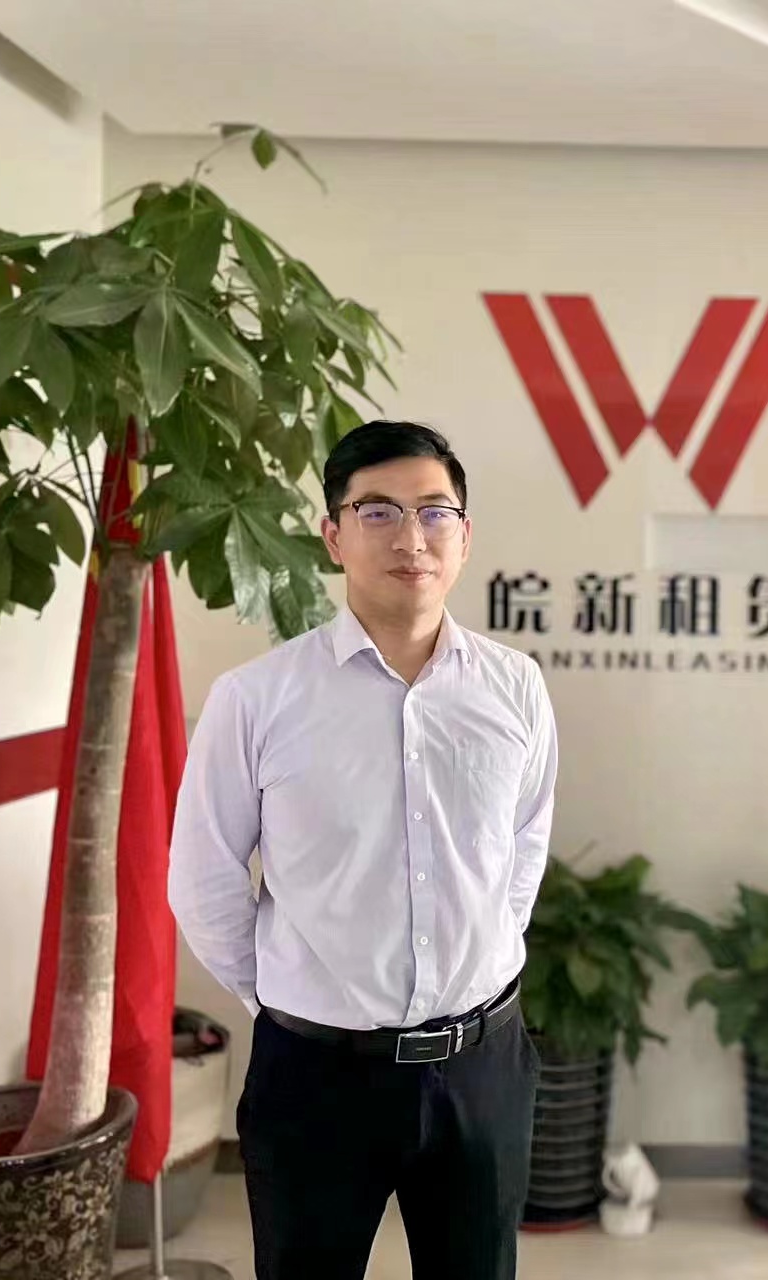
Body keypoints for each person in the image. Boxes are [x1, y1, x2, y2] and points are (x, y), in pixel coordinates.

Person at [169, 420, 558, 1280]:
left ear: (464, 538)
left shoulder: (515, 687)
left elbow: (523, 844)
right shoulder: (257, 699)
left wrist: (482, 956)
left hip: (481, 1067)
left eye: (434, 512)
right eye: (377, 511)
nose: (410, 537)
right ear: (333, 535)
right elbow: (202, 877)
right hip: (318, 1075)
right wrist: (290, 996)